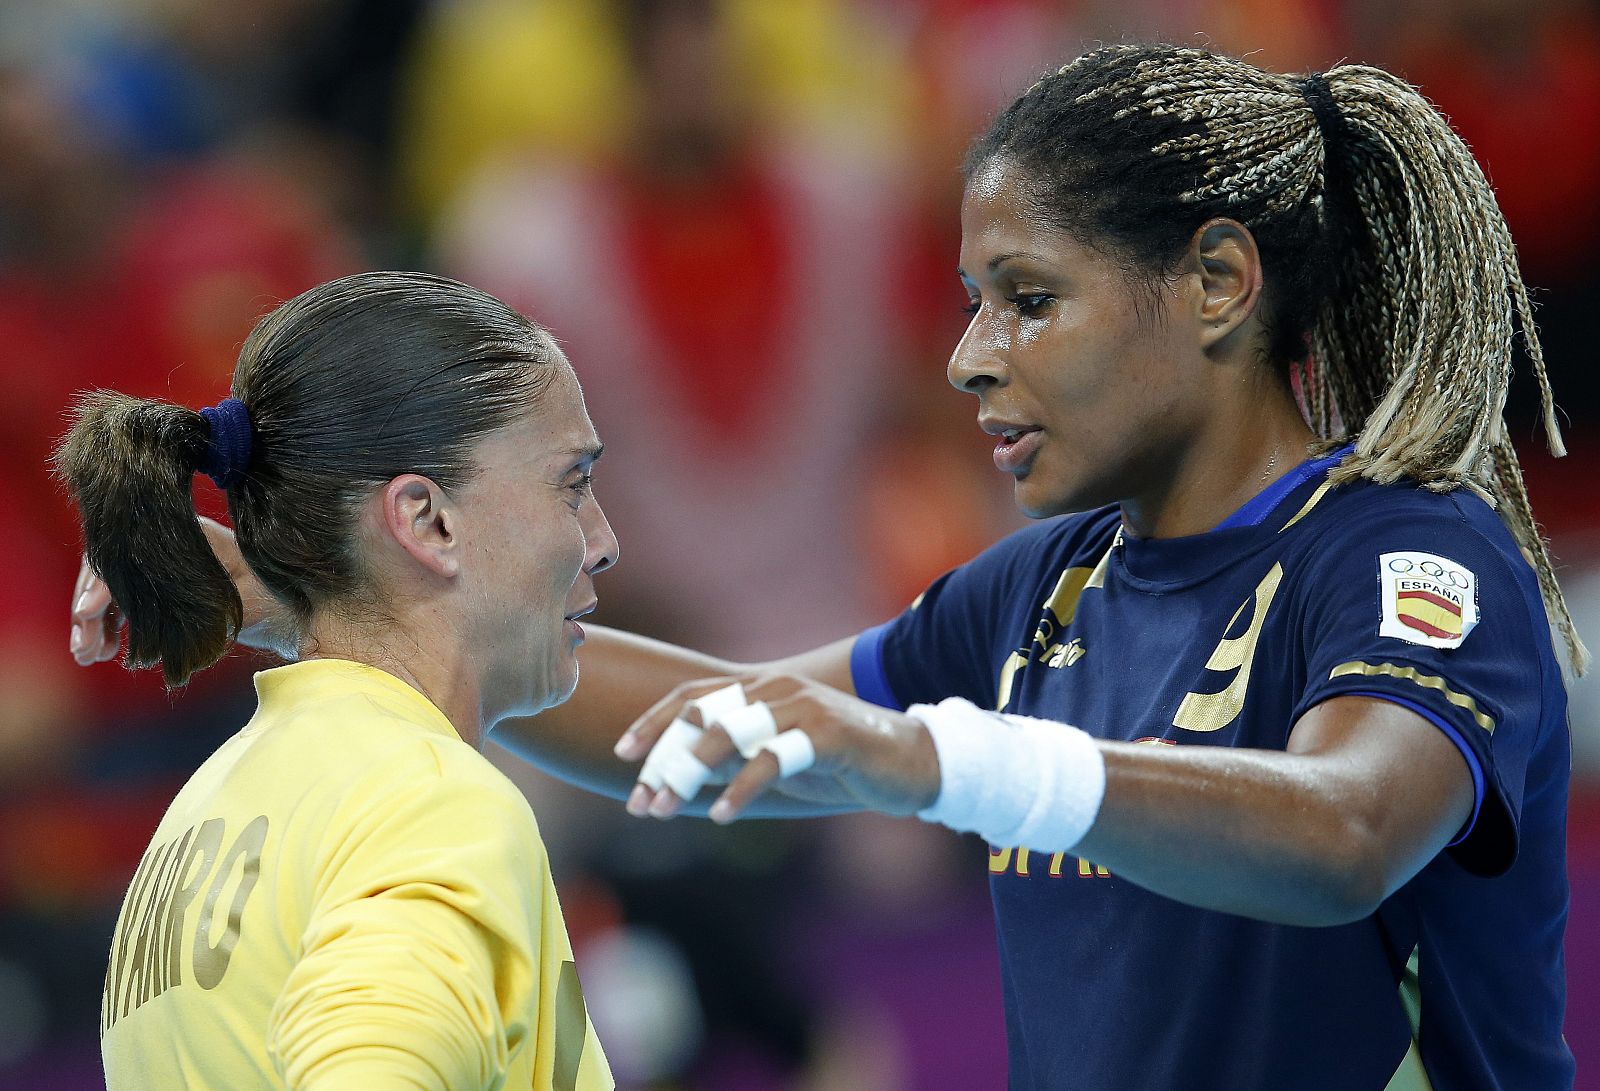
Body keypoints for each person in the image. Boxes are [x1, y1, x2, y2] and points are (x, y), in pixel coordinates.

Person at [70, 45, 1585, 1090]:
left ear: (1214, 282)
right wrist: (329, 602)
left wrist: (942, 757)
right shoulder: (1042, 587)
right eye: (968, 300)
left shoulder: (1407, 547)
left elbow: (1346, 830)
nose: (967, 357)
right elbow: (719, 724)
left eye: (1028, 299)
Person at [59, 271, 618, 1089]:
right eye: (572, 483)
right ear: (427, 519)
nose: (601, 540)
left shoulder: (199, 821)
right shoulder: (428, 805)